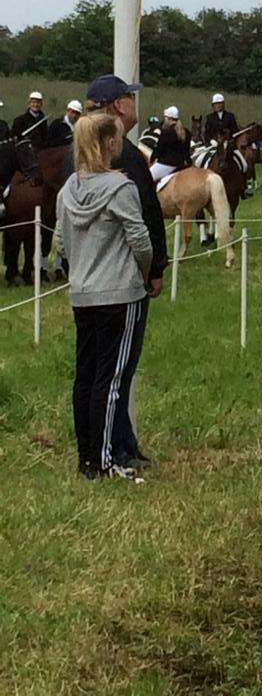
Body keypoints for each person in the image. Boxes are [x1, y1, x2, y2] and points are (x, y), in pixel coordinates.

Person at [56, 112, 153, 481]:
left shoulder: (67, 191)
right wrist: (143, 273)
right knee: (111, 380)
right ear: (107, 143)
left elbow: (61, 245)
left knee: (85, 376)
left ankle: (86, 457)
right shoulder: (120, 188)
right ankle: (105, 459)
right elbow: (139, 240)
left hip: (83, 294)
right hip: (119, 292)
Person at [82, 73, 168, 469]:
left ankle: (106, 447)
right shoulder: (127, 157)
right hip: (122, 279)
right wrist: (154, 268)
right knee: (116, 372)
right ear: (118, 105)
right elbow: (146, 219)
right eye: (130, 97)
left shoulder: (80, 154)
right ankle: (112, 451)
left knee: (94, 371)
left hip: (85, 280)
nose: (135, 103)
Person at [149, 107, 192, 182]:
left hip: (166, 165)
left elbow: (158, 150)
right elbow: (187, 151)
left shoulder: (166, 132)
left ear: (168, 118)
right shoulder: (186, 132)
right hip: (181, 165)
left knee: (146, 178)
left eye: (165, 118)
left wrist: (152, 159)